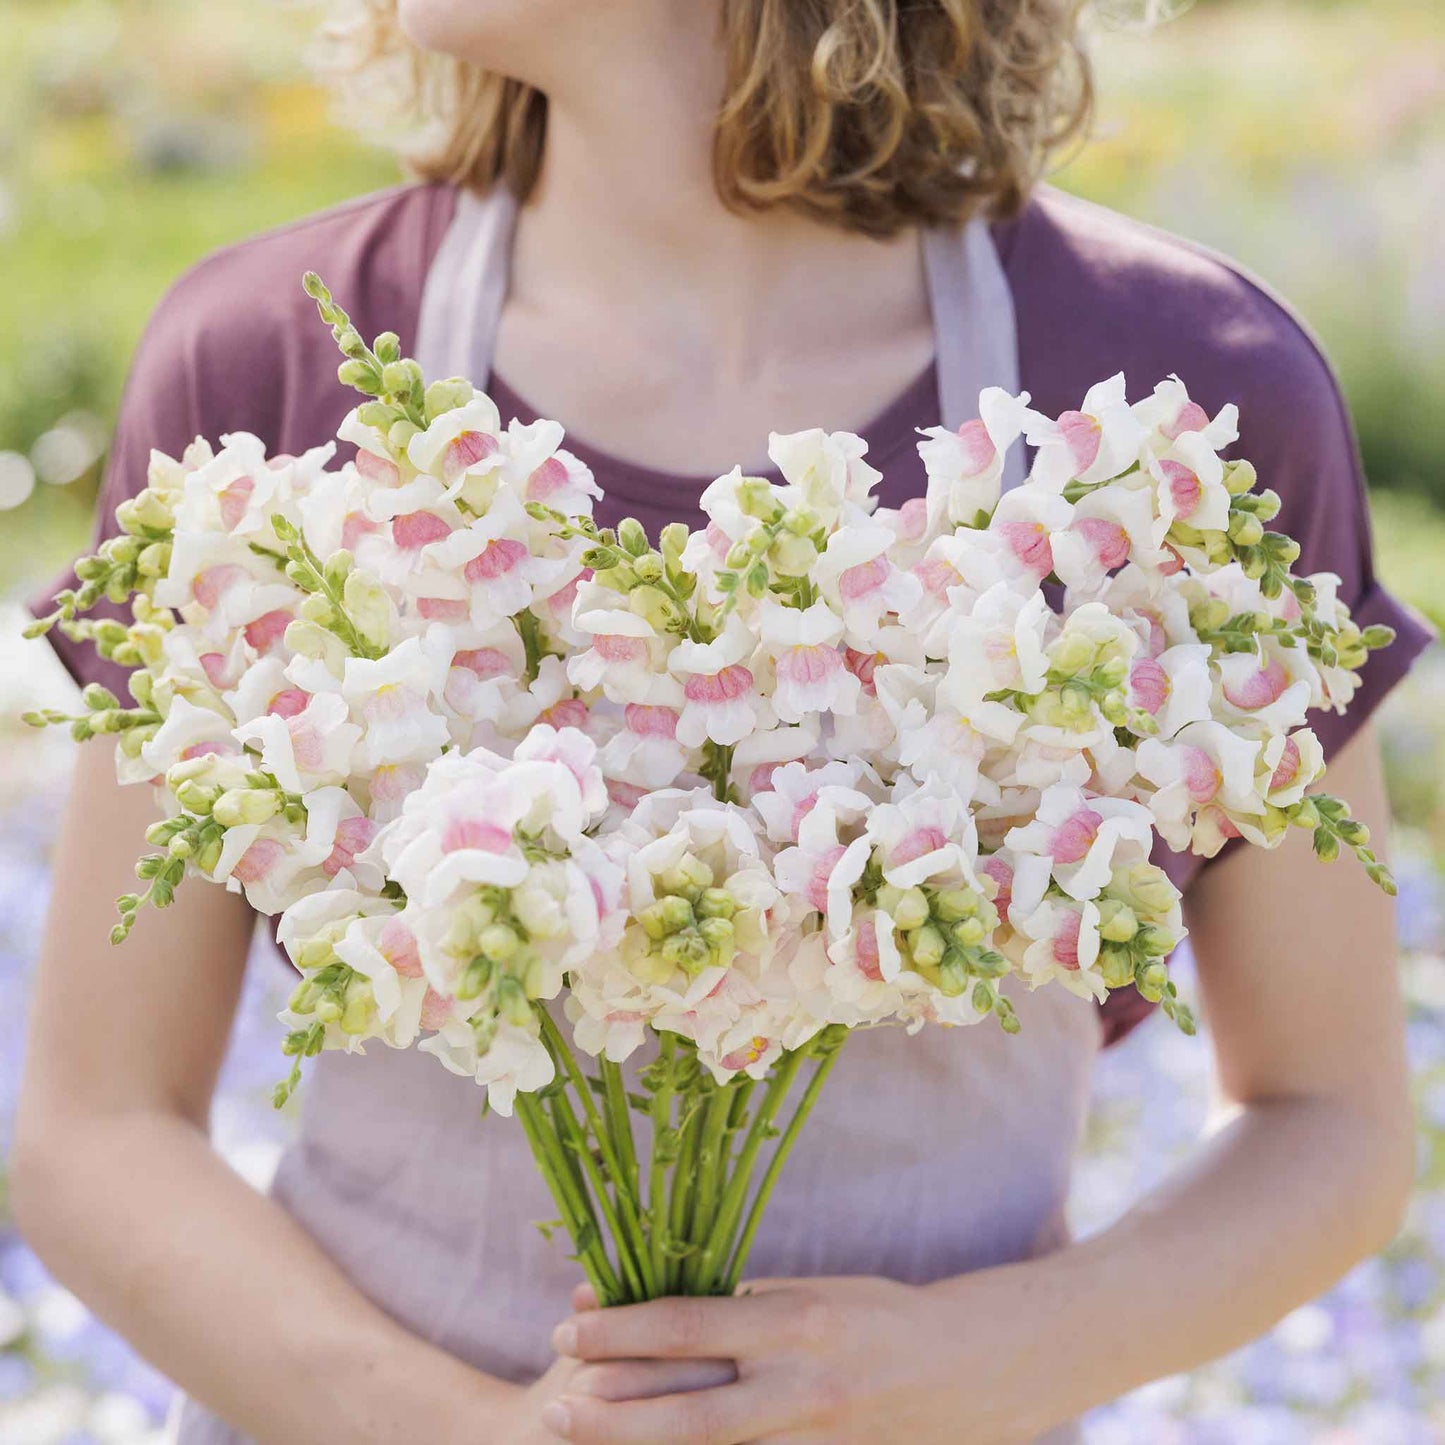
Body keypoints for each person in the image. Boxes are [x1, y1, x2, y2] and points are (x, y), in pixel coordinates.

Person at [12, 2, 1433, 1442]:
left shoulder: (1181, 408)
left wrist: (985, 1357)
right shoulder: (269, 372)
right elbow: (97, 1126)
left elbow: (1331, 1123)